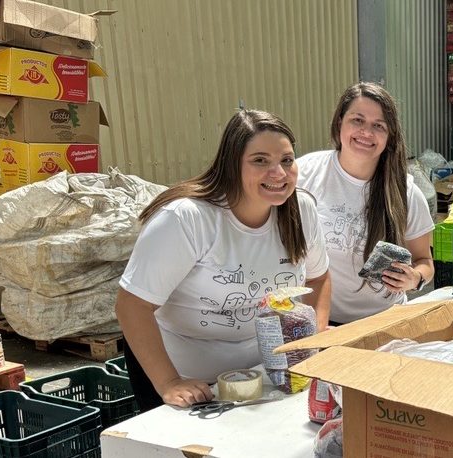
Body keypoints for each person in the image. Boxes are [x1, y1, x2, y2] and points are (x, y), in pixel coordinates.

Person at [116, 110, 332, 411]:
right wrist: (169, 382)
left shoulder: (301, 209)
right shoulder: (187, 219)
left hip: (264, 374)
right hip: (187, 379)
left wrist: (312, 341)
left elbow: (318, 278)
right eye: (260, 160)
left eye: (286, 160)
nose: (279, 173)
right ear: (231, 164)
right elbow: (132, 305)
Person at [297, 82, 434, 325]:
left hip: (384, 323)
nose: (366, 133)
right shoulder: (305, 174)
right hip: (320, 323)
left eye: (378, 125)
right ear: (340, 122)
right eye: (357, 120)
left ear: (390, 135)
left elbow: (425, 261)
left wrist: (414, 279)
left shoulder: (405, 192)